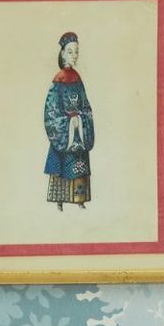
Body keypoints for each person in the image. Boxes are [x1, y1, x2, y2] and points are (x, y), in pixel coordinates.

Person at [43, 31, 93, 209]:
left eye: (77, 52)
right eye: (70, 52)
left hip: (78, 134)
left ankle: (79, 202)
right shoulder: (58, 81)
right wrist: (68, 122)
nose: (74, 56)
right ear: (62, 53)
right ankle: (60, 203)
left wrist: (81, 119)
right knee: (61, 167)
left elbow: (86, 107)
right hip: (65, 135)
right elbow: (51, 112)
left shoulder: (78, 80)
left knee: (78, 168)